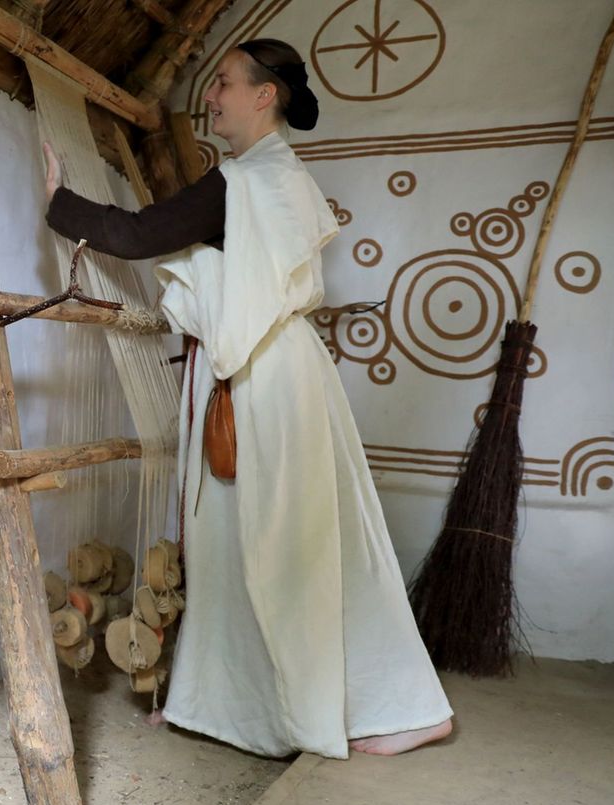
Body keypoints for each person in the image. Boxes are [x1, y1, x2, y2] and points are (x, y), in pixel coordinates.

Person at [43, 39, 453, 759]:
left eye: (225, 83)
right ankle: (226, 705)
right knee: (251, 543)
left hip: (264, 380)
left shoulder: (247, 180)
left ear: (265, 95)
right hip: (279, 372)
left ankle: (399, 708)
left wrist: (57, 201)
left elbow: (139, 235)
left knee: (286, 547)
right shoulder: (281, 176)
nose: (211, 97)